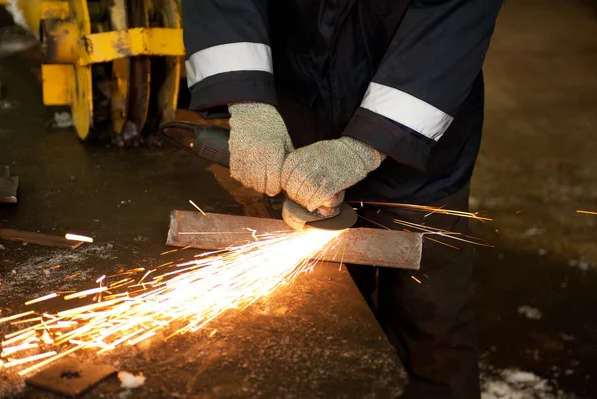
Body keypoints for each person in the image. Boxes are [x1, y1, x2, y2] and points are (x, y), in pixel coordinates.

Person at [182, 1, 502, 397]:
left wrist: (367, 145)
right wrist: (249, 103)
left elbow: (450, 29)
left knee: (432, 316)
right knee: (323, 317)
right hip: (296, 119)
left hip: (418, 143)